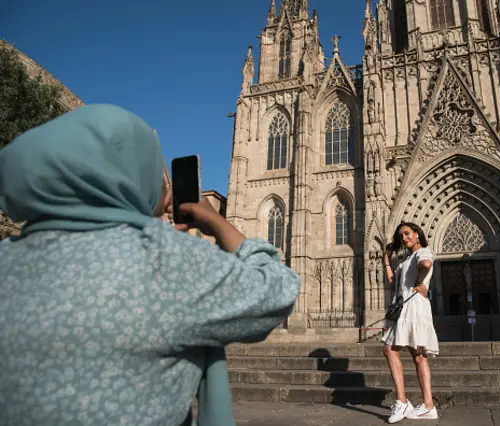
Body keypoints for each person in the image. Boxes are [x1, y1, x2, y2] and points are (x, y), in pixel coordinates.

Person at [0, 104, 300, 426]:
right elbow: (277, 291)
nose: (166, 185)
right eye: (157, 171)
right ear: (129, 176)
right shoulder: (169, 262)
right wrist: (215, 221)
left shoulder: (8, 256)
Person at [382, 222, 439, 423]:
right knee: (418, 357)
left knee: (391, 349)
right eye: (401, 236)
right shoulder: (406, 260)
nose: (404, 238)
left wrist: (420, 281)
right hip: (407, 308)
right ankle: (427, 405)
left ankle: (403, 401)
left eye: (407, 234)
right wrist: (387, 262)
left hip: (413, 308)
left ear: (417, 234)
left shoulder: (423, 252)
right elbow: (392, 281)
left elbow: (426, 264)